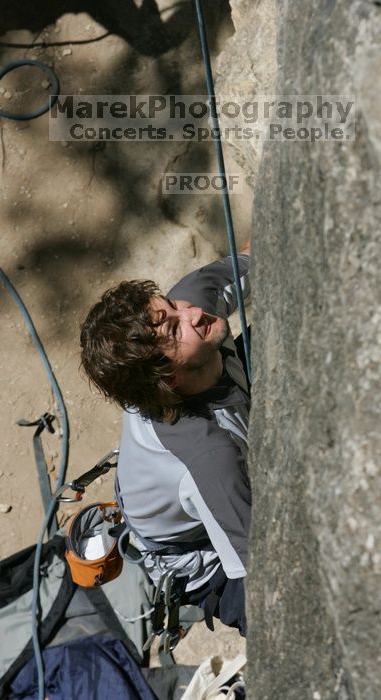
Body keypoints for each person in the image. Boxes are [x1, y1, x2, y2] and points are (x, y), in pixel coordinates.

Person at [79, 242, 251, 636]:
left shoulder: (192, 307)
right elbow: (261, 571)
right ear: (170, 378)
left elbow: (262, 250)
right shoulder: (210, 459)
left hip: (167, 488)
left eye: (171, 307)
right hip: (200, 559)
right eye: (176, 327)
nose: (193, 312)